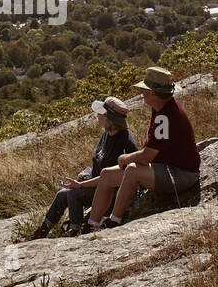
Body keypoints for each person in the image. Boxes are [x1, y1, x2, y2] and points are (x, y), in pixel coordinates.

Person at [84, 66, 200, 230]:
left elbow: (147, 156)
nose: (142, 93)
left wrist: (126, 158)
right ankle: (91, 225)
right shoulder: (160, 108)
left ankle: (114, 221)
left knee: (132, 170)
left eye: (144, 90)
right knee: (106, 175)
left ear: (153, 93)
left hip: (181, 174)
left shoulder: (165, 116)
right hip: (165, 168)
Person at [30, 97, 136, 238]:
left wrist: (80, 185)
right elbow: (99, 165)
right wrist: (85, 177)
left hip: (110, 193)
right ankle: (42, 231)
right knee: (62, 194)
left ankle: (77, 231)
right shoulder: (106, 135)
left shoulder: (124, 142)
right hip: (96, 185)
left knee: (74, 194)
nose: (97, 116)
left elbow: (112, 177)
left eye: (100, 114)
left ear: (108, 119)